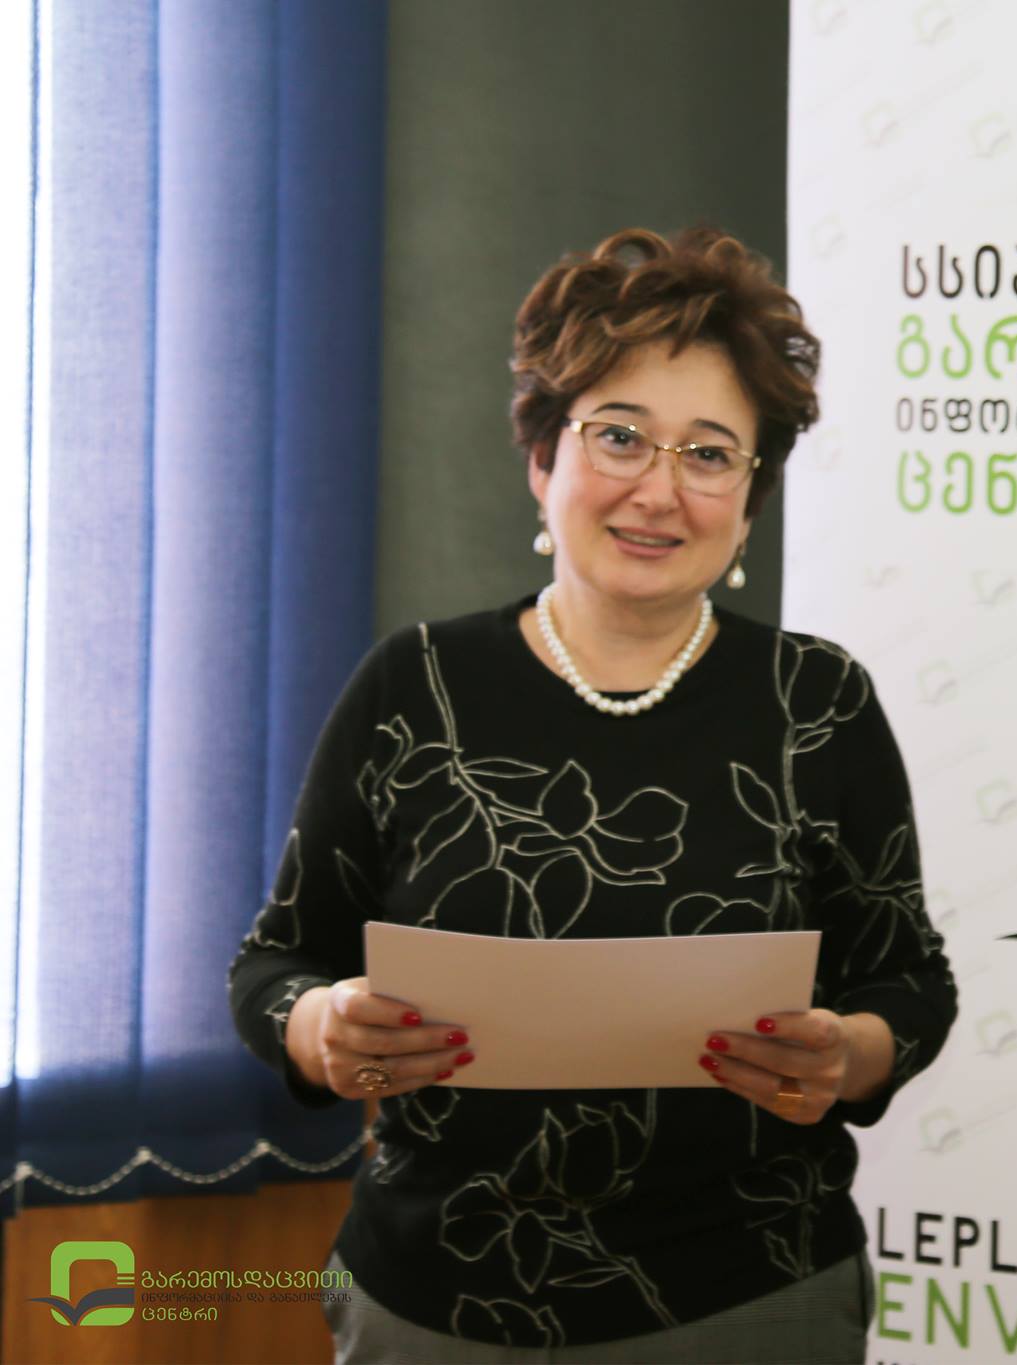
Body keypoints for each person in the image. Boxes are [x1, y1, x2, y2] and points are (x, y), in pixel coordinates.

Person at [230, 226, 956, 1363]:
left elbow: (908, 981)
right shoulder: (415, 685)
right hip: (434, 1299)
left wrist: (846, 1053)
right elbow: (274, 963)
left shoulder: (817, 702)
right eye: (618, 435)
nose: (658, 491)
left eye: (709, 454)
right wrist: (323, 1029)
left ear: (750, 499)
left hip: (748, 1297)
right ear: (542, 457)